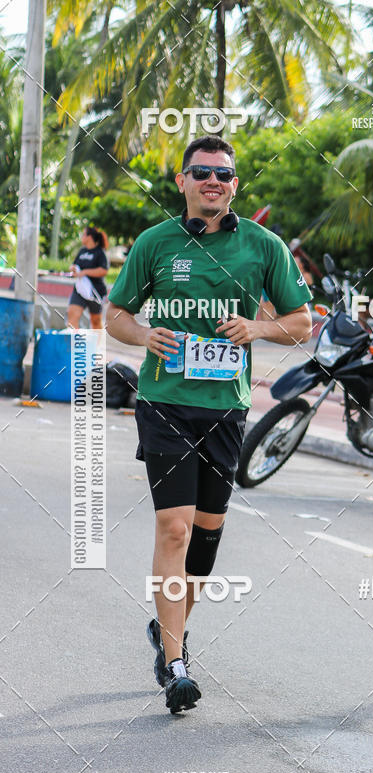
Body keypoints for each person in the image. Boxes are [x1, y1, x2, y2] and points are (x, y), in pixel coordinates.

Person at [106, 135, 312, 714]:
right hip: (164, 402)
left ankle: (168, 629)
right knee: (172, 528)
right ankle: (175, 665)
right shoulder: (154, 243)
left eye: (223, 174)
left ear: (235, 184)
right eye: (201, 172)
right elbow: (115, 314)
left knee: (203, 539)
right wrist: (145, 335)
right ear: (182, 181)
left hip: (225, 409)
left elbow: (302, 321)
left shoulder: (263, 246)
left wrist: (259, 329)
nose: (212, 181)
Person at [67, 226, 109, 329]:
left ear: (90, 237)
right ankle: (75, 344)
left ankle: (97, 344)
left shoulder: (100, 253)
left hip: (95, 291)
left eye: (83, 234)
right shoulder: (82, 251)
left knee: (95, 321)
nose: (82, 237)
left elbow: (103, 270)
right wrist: (73, 269)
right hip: (80, 290)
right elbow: (74, 265)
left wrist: (85, 272)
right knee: (72, 316)